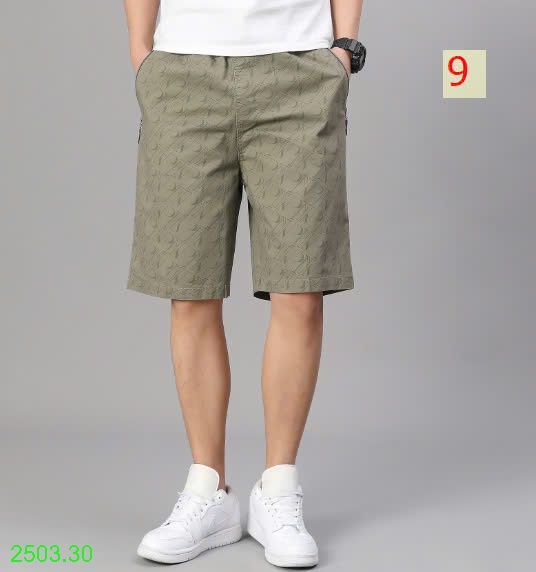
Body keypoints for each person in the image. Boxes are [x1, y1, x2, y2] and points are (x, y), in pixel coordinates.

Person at [124, 0, 365, 566]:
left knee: (300, 289)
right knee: (190, 291)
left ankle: (278, 489)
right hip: (183, 73)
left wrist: (343, 50)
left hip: (300, 71)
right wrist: (142, 55)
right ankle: (208, 490)